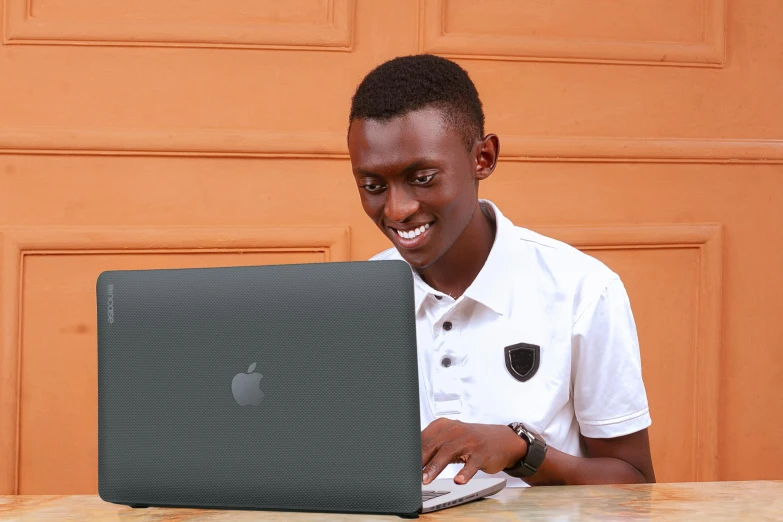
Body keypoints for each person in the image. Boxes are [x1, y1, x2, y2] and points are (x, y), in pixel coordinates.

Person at [345, 54, 655, 487]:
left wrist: (521, 450)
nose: (397, 209)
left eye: (423, 177)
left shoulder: (583, 291)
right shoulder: (356, 300)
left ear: (483, 158)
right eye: (373, 186)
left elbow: (634, 483)